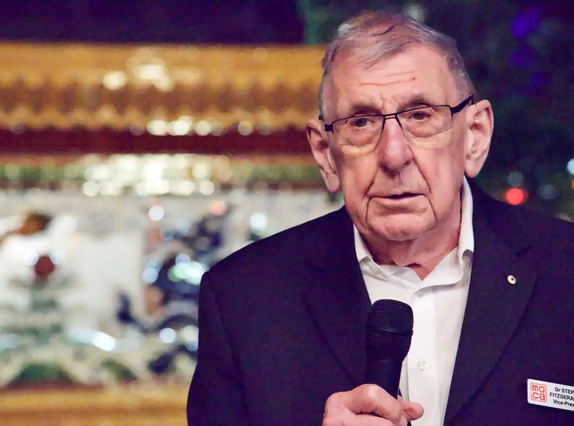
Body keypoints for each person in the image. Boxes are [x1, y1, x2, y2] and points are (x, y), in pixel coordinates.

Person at [187, 10, 574, 426]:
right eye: (361, 122)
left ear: (475, 136)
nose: (393, 155)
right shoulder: (243, 298)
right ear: (325, 153)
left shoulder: (564, 269)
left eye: (420, 115)